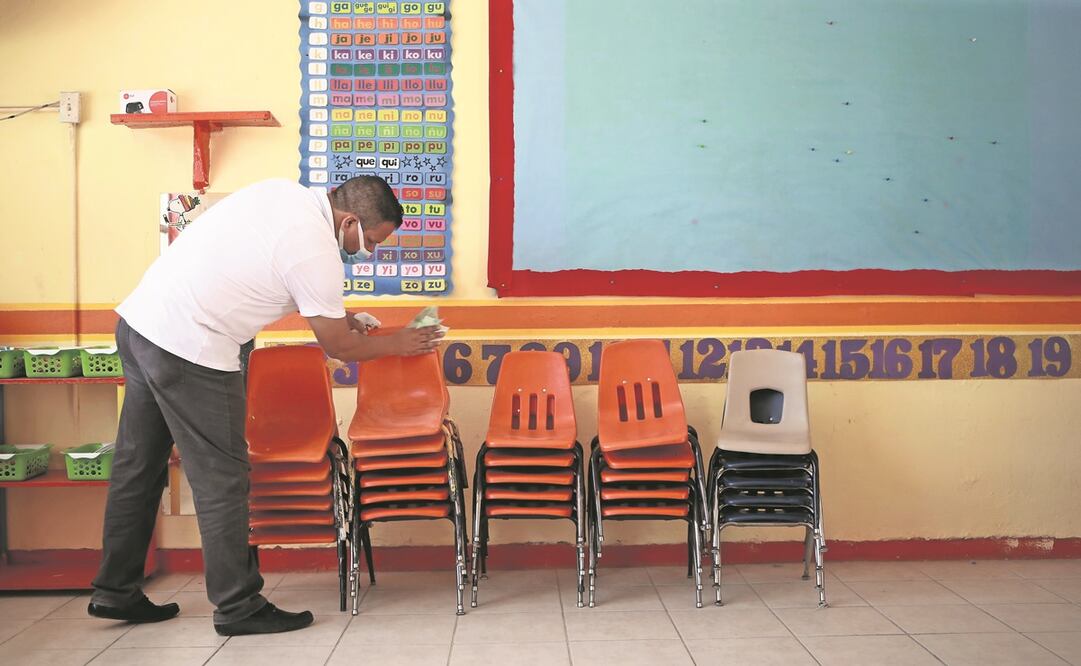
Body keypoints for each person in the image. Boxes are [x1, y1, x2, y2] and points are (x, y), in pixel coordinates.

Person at [87, 176, 442, 636]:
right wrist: (401, 341)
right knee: (223, 479)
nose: (367, 251)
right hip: (190, 346)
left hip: (140, 327)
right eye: (370, 241)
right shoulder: (316, 248)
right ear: (350, 220)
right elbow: (340, 348)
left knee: (138, 466)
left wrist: (343, 315)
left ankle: (115, 591)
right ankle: (238, 605)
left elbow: (261, 275)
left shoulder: (282, 194)